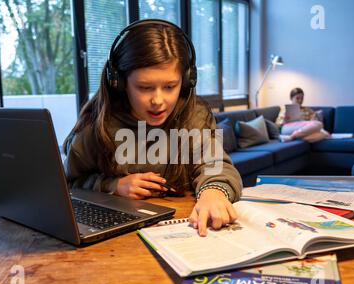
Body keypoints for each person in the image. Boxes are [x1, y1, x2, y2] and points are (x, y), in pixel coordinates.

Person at [63, 19, 243, 237]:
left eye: (170, 87)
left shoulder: (194, 116)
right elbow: (68, 184)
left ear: (186, 81)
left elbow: (216, 167)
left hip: (184, 233)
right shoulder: (97, 127)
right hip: (115, 240)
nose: (158, 100)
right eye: (144, 87)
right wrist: (112, 185)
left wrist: (213, 192)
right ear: (119, 82)